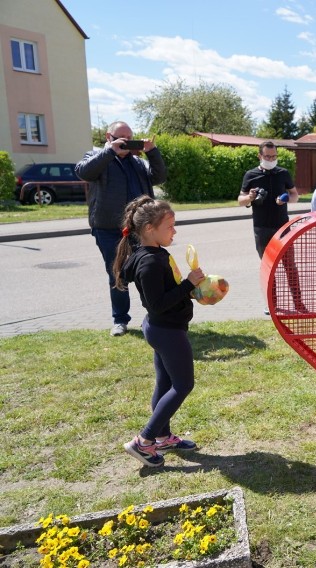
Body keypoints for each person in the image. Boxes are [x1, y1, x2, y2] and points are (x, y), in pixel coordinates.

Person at [113, 196, 205, 467]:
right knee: (183, 384)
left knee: (165, 384)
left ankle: (162, 436)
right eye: (169, 226)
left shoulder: (155, 253)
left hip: (162, 328)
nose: (174, 231)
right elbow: (157, 303)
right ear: (150, 229)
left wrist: (194, 289)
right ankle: (144, 441)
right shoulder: (149, 262)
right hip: (167, 331)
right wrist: (187, 284)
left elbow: (167, 292)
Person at [76, 121, 166, 337]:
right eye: (120, 137)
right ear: (109, 137)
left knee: (148, 272)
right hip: (108, 228)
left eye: (129, 137)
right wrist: (109, 152)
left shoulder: (138, 162)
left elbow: (159, 177)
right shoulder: (97, 156)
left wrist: (152, 152)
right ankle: (120, 320)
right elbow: (84, 172)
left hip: (140, 228)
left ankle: (156, 316)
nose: (125, 141)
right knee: (117, 274)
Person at [238, 141, 304, 313]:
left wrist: (287, 199)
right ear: (260, 156)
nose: (271, 159)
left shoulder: (283, 173)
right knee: (269, 266)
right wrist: (250, 198)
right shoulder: (250, 175)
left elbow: (295, 195)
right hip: (261, 228)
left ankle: (299, 303)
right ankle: (272, 304)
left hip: (283, 226)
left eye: (274, 156)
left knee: (290, 265)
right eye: (268, 156)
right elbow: (240, 200)